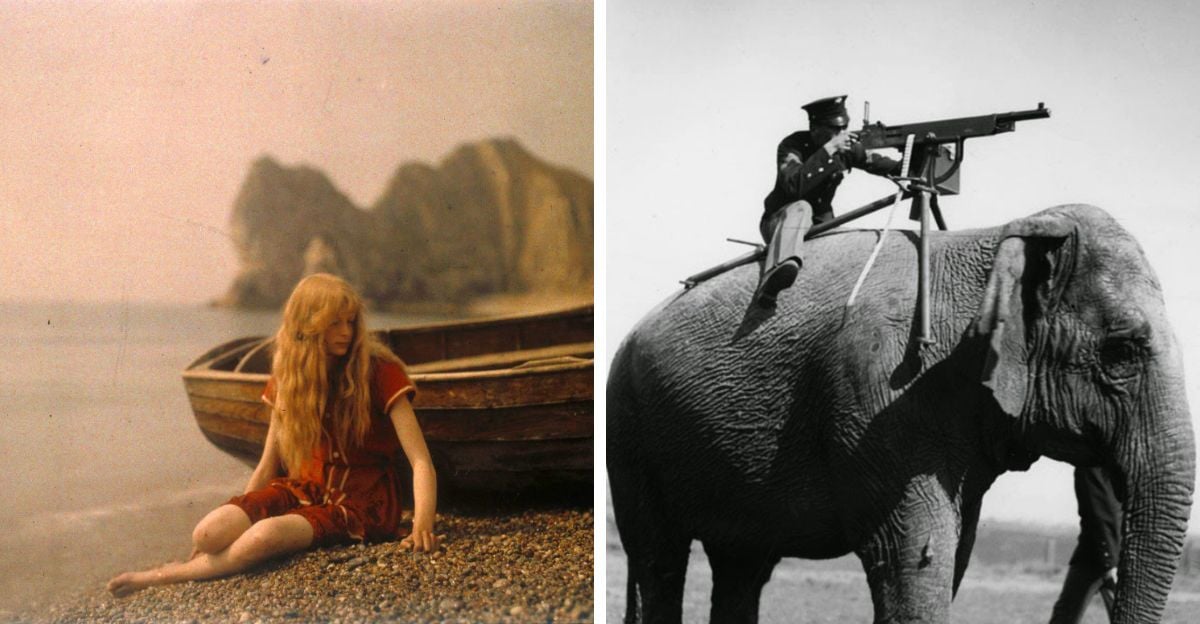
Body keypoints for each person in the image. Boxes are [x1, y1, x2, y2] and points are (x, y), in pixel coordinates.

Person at [107, 273, 439, 596]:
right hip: (304, 488)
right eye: (335, 322)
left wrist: (422, 523)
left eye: (351, 321)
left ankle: (162, 576)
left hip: (362, 504)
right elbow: (268, 464)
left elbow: (420, 459)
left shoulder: (380, 370)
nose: (347, 332)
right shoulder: (289, 378)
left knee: (262, 537)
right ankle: (200, 559)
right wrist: (247, 507)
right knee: (208, 533)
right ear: (308, 325)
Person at [754, 95, 903, 308]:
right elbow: (794, 185)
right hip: (780, 222)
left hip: (820, 224)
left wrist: (916, 154)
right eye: (834, 131)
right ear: (815, 129)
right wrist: (829, 149)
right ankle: (775, 276)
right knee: (802, 207)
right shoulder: (793, 146)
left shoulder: (845, 147)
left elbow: (880, 164)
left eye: (844, 129)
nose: (841, 135)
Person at [1050, 466, 1123, 623]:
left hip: (1096, 556)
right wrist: (1111, 561)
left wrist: (1110, 561)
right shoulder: (1095, 467)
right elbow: (1101, 512)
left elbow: (1104, 512)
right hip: (1103, 556)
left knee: (1065, 616)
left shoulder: (1094, 466)